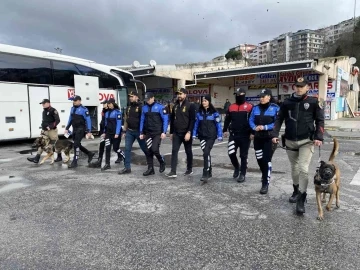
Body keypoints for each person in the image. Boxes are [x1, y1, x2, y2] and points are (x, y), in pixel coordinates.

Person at [272, 77, 324, 214]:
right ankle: (296, 190)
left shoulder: (313, 102)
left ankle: (302, 197)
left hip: (306, 140)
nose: (299, 88)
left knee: (303, 168)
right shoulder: (287, 102)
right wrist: (274, 134)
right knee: (294, 168)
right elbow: (279, 119)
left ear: (307, 87)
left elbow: (320, 120)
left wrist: (319, 136)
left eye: (302, 86)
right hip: (290, 140)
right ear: (294, 87)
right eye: (297, 86)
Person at [249, 89, 280, 194]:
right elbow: (251, 120)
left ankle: (265, 183)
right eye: (260, 96)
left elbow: (277, 122)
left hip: (269, 138)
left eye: (264, 96)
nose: (261, 98)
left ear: (269, 97)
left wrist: (265, 127)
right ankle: (265, 174)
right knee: (259, 159)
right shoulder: (255, 108)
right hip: (258, 138)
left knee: (266, 160)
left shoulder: (275, 108)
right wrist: (254, 127)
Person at [223, 88, 253, 182]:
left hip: (245, 135)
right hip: (233, 134)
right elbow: (227, 119)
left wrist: (252, 132)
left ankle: (242, 174)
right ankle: (237, 167)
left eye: (240, 94)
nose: (238, 96)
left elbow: (253, 120)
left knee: (243, 156)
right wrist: (225, 130)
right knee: (231, 153)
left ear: (244, 94)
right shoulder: (231, 107)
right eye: (237, 94)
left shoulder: (249, 107)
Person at [165, 88, 196, 178]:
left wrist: (189, 132)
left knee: (188, 151)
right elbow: (172, 119)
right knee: (174, 151)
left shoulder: (190, 105)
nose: (179, 95)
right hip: (177, 133)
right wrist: (171, 132)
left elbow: (192, 120)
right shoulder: (175, 106)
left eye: (181, 94)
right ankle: (173, 171)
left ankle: (189, 169)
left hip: (186, 133)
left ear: (185, 95)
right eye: (178, 94)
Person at [193, 94, 223, 182]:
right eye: (202, 101)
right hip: (202, 136)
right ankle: (209, 170)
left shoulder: (215, 113)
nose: (203, 102)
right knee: (206, 153)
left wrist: (220, 135)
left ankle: (205, 172)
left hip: (211, 136)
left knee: (206, 153)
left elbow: (218, 125)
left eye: (205, 101)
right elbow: (196, 125)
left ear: (209, 102)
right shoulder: (199, 113)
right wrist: (194, 134)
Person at [139, 92, 168, 176]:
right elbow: (142, 120)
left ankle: (161, 161)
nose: (147, 101)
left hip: (157, 132)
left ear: (152, 98)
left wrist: (164, 132)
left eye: (148, 99)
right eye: (146, 100)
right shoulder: (144, 108)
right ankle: (150, 169)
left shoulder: (160, 107)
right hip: (148, 132)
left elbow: (165, 120)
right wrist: (141, 132)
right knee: (148, 151)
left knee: (154, 149)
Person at [118, 91, 147, 174]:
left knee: (145, 149)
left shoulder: (141, 107)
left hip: (139, 132)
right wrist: (124, 130)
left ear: (137, 97)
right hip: (129, 131)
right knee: (127, 149)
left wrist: (143, 132)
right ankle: (127, 168)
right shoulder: (128, 107)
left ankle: (150, 165)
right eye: (130, 96)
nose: (130, 98)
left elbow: (144, 120)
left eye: (132, 96)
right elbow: (126, 120)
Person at [65, 95, 95, 168]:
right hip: (74, 129)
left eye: (75, 101)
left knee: (76, 145)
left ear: (79, 101)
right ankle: (89, 153)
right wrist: (67, 128)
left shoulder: (84, 109)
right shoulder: (72, 109)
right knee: (77, 144)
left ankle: (75, 161)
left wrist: (89, 131)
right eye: (73, 101)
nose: (74, 102)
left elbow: (88, 120)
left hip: (81, 128)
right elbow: (70, 118)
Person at [27, 99, 60, 163]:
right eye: (42, 104)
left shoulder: (53, 111)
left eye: (44, 103)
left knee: (55, 144)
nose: (42, 105)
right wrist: (43, 128)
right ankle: (37, 158)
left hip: (52, 131)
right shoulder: (44, 111)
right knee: (41, 143)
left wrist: (50, 126)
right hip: (44, 131)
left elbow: (57, 120)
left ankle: (59, 156)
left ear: (48, 103)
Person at [88, 99, 108, 168]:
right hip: (103, 131)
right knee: (101, 146)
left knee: (115, 147)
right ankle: (99, 161)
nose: (103, 105)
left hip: (108, 131)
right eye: (103, 104)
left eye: (104, 103)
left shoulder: (109, 111)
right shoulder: (103, 110)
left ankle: (120, 157)